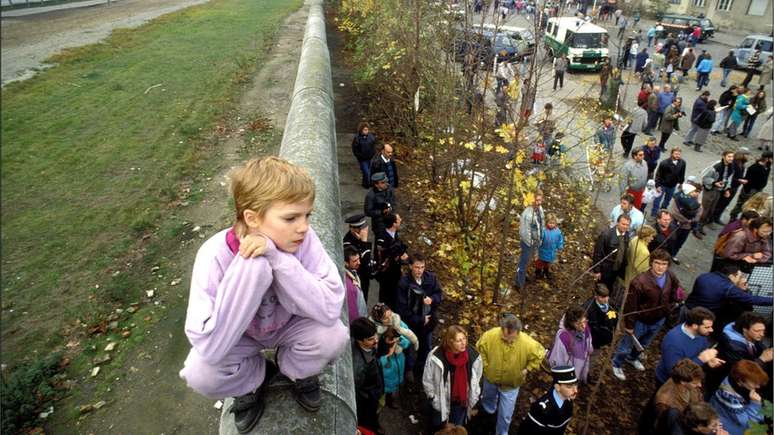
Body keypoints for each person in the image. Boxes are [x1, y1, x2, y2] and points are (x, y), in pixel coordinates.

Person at [179, 157, 348, 433]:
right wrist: (251, 271)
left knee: (334, 337)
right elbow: (209, 346)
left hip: (288, 327)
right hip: (240, 337)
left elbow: (330, 307)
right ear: (252, 218)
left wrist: (278, 259)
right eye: (291, 217)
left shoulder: (304, 241)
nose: (303, 226)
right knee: (200, 373)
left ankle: (295, 369)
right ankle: (253, 381)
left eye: (307, 215)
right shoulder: (213, 255)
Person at [612, 249, 682, 381]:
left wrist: (670, 308)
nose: (660, 267)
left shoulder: (670, 276)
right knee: (626, 345)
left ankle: (632, 358)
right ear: (651, 263)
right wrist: (629, 325)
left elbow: (674, 292)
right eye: (657, 263)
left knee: (644, 343)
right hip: (640, 321)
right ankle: (616, 363)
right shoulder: (639, 281)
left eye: (664, 264)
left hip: (658, 319)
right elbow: (631, 305)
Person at [476, 313, 545, 435]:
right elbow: (480, 349)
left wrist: (527, 369)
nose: (506, 339)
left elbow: (540, 355)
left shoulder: (528, 343)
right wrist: (486, 367)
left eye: (510, 337)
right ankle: (488, 411)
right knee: (488, 398)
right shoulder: (490, 335)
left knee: (505, 415)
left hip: (511, 386)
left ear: (518, 332)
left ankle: (501, 432)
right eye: (504, 336)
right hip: (490, 379)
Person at [685, 264, 773, 335]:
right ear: (731, 276)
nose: (740, 279)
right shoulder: (728, 287)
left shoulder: (705, 276)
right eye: (739, 276)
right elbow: (751, 299)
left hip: (687, 308)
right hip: (701, 318)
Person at [423, 325, 483, 429]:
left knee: (456, 427)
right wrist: (433, 398)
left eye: (464, 338)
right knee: (438, 426)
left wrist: (475, 393)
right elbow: (427, 380)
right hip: (440, 400)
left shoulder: (473, 355)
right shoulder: (435, 356)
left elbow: (477, 376)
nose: (463, 343)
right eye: (459, 340)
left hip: (460, 401)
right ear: (450, 341)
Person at [707, 312, 774, 398]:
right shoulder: (733, 346)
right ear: (745, 329)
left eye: (763, 330)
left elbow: (756, 347)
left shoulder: (752, 336)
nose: (762, 334)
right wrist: (762, 359)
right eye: (757, 331)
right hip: (726, 382)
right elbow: (741, 371)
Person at [396, 253, 443, 376]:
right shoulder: (404, 283)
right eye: (417, 267)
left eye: (422, 267)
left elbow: (439, 294)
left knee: (426, 346)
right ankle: (408, 371)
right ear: (410, 266)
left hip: (428, 321)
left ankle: (422, 369)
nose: (420, 270)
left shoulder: (430, 278)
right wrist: (421, 319)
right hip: (412, 322)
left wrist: (432, 299)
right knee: (410, 348)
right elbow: (402, 309)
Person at [655, 307, 724, 387]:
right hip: (668, 382)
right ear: (694, 326)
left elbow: (702, 349)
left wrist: (708, 360)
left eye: (711, 326)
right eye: (707, 327)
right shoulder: (673, 342)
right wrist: (701, 359)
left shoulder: (701, 333)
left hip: (688, 379)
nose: (711, 330)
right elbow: (674, 372)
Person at [640, 359, 705, 434]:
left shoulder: (688, 382)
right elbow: (664, 428)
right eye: (695, 383)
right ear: (683, 382)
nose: (700, 385)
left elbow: (699, 400)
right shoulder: (664, 404)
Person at [710, 360, 769, 435]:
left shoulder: (735, 378)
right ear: (740, 381)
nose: (758, 386)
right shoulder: (729, 397)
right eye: (754, 383)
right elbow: (750, 425)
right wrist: (755, 404)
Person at [516, 366, 579, 435]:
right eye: (569, 387)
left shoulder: (568, 401)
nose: (575, 390)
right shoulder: (542, 409)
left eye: (575, 385)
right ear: (557, 387)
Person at [351, 317, 384, 433]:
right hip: (367, 401)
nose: (376, 340)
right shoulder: (358, 367)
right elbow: (356, 392)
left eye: (376, 336)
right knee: (368, 422)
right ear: (360, 341)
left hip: (373, 393)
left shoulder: (369, 347)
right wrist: (373, 396)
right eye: (370, 339)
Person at [548, 306, 593, 383]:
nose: (583, 326)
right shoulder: (564, 337)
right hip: (569, 366)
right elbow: (559, 359)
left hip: (581, 361)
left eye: (585, 321)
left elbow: (588, 339)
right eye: (578, 323)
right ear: (570, 323)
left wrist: (589, 348)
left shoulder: (585, 327)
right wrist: (565, 375)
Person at [374, 213, 408, 310]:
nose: (401, 220)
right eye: (398, 219)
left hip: (395, 274)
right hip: (387, 276)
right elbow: (382, 259)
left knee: (394, 297)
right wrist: (398, 258)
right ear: (394, 224)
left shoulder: (394, 233)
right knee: (386, 298)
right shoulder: (382, 239)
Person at [699, 150, 736, 234]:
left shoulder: (731, 167)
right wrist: (714, 182)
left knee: (711, 209)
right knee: (705, 209)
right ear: (724, 156)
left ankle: (703, 224)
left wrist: (727, 189)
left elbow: (728, 179)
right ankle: (697, 226)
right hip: (710, 189)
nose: (731, 158)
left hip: (719, 191)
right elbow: (704, 176)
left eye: (732, 157)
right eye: (729, 156)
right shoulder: (716, 166)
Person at [593, 214, 631, 294]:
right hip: (605, 269)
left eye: (627, 225)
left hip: (617, 270)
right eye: (623, 224)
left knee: (610, 288)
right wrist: (597, 270)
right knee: (601, 290)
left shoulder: (626, 235)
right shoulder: (606, 235)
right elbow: (597, 253)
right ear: (617, 223)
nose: (625, 227)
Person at [729, 151, 772, 221]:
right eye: (772, 158)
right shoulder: (754, 167)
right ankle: (733, 217)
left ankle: (742, 220)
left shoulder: (768, 167)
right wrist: (746, 192)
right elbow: (747, 180)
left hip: (758, 190)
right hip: (750, 190)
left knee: (751, 207)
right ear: (767, 158)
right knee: (741, 205)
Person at [515, 191, 544, 290]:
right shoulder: (527, 215)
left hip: (535, 240)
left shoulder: (539, 209)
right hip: (527, 242)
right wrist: (529, 243)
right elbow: (524, 232)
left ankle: (523, 276)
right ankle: (519, 283)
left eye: (540, 200)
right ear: (532, 200)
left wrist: (540, 238)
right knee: (523, 262)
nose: (539, 202)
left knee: (528, 261)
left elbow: (541, 223)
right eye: (537, 200)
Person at [712, 149, 750, 224]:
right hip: (730, 186)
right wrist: (739, 180)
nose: (748, 156)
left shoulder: (741, 164)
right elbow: (730, 176)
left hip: (735, 187)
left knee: (725, 204)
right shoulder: (734, 164)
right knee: (721, 203)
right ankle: (712, 218)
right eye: (746, 154)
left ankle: (717, 217)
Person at [344, 213, 374, 302]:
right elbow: (364, 262)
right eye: (359, 228)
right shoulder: (347, 243)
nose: (362, 230)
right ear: (352, 229)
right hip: (357, 277)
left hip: (365, 277)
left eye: (362, 227)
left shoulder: (358, 239)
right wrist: (364, 241)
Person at [378, 326, 410, 409]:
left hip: (397, 373)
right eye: (390, 339)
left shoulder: (396, 341)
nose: (392, 341)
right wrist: (389, 354)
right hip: (388, 379)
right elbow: (379, 363)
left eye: (394, 339)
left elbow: (407, 343)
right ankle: (386, 402)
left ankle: (390, 401)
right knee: (386, 393)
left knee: (392, 391)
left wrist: (399, 340)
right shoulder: (380, 346)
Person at [670, 178, 704, 253]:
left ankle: (673, 254)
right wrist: (686, 220)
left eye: (699, 192)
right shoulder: (679, 198)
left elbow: (700, 212)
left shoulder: (697, 201)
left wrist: (692, 220)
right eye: (695, 191)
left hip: (687, 227)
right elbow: (674, 212)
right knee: (671, 240)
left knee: (680, 242)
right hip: (676, 223)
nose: (697, 194)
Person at [651, 147, 686, 216]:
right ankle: (654, 214)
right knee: (657, 200)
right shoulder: (664, 163)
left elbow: (682, 174)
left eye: (679, 154)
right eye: (676, 154)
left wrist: (681, 183)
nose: (677, 156)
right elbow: (658, 175)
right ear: (671, 154)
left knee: (667, 200)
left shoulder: (682, 163)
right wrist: (657, 186)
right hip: (662, 185)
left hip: (672, 185)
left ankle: (662, 212)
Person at [583, 284, 618, 350]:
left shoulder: (611, 305)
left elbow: (615, 321)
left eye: (607, 296)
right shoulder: (588, 308)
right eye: (602, 297)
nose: (606, 299)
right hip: (593, 341)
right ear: (596, 296)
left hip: (605, 339)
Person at [364, 172, 396, 237]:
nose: (386, 184)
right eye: (383, 182)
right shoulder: (371, 196)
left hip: (391, 221)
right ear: (376, 185)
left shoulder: (389, 189)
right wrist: (381, 212)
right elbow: (368, 212)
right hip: (379, 224)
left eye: (386, 181)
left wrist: (392, 209)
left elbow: (393, 200)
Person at [536, 213, 565, 281]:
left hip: (551, 250)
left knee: (547, 262)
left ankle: (546, 271)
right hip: (542, 249)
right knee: (540, 262)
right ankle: (538, 272)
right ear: (547, 222)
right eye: (550, 223)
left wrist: (560, 246)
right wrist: (538, 244)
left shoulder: (558, 232)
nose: (551, 225)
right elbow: (540, 239)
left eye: (553, 223)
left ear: (556, 223)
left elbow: (560, 239)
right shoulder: (544, 230)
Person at [345, 246, 368, 323]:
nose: (359, 262)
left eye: (359, 259)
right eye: (355, 261)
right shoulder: (349, 286)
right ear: (346, 263)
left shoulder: (352, 273)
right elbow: (352, 313)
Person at [352, 122, 377, 188]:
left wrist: (373, 153)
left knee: (370, 171)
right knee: (366, 171)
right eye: (365, 130)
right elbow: (355, 149)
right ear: (361, 130)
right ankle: (367, 183)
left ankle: (367, 183)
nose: (366, 131)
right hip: (362, 159)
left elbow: (374, 146)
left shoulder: (371, 137)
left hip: (370, 157)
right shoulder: (357, 138)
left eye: (367, 130)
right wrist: (359, 156)